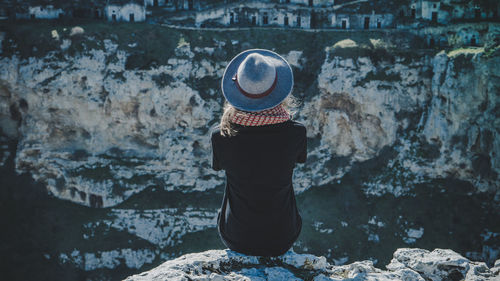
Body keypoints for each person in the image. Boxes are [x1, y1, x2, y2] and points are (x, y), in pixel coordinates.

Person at [211, 49, 307, 257]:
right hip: (283, 235)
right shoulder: (297, 132)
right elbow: (298, 159)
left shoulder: (221, 136)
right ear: (278, 89)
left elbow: (219, 165)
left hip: (236, 237)